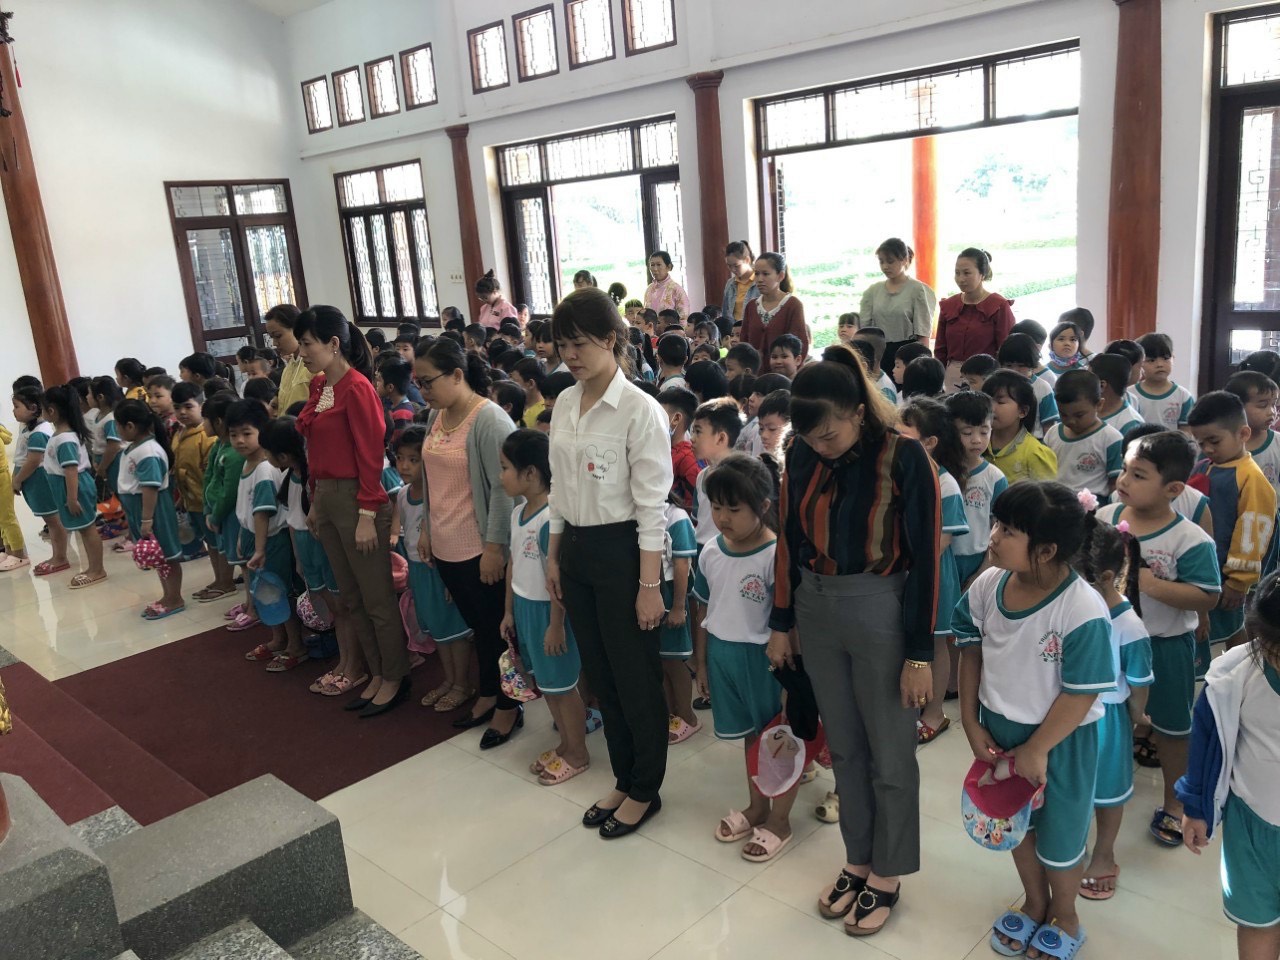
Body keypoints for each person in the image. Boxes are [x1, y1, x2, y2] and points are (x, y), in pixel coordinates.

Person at [769, 344, 938, 936]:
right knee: (843, 747)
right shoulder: (800, 452)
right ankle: (857, 859)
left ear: (859, 413)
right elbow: (788, 540)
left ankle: (888, 872)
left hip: (879, 606)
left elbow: (926, 560)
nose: (820, 446)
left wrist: (920, 655)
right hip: (815, 606)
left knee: (890, 750)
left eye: (830, 435)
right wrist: (781, 622)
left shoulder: (904, 457)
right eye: (810, 437)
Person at [954, 483, 1116, 959]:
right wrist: (970, 721)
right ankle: (1035, 901)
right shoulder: (988, 585)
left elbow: (1081, 693)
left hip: (1061, 742)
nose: (993, 536)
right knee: (1014, 823)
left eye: (1008, 530)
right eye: (997, 523)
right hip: (1001, 733)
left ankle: (1066, 914)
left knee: (1061, 835)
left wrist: (1038, 747)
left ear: (1046, 550)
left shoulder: (1082, 608)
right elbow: (970, 649)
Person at [545, 286, 673, 838]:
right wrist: (555, 554)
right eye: (562, 345)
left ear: (612, 338)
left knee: (635, 676)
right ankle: (624, 777)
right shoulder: (564, 403)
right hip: (576, 549)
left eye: (580, 343)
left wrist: (649, 586)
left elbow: (652, 508)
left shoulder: (640, 411)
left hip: (624, 553)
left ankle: (646, 788)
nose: (570, 355)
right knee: (601, 675)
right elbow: (558, 488)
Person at [1098, 431, 1221, 848]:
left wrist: (1149, 583)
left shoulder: (1189, 539)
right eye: (1124, 469)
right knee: (1105, 717)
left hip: (1163, 646)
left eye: (1139, 475)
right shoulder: (1106, 517)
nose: (1124, 480)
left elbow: (1207, 595)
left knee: (1171, 729)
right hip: (1109, 641)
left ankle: (1174, 801)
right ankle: (1100, 788)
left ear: (1173, 489)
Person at [296, 305, 411, 718]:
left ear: (333, 343)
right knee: (351, 596)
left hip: (358, 499)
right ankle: (376, 672)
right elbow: (317, 451)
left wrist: (366, 514)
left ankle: (395, 675)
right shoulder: (321, 385)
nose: (301, 353)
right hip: (327, 497)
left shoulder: (359, 388)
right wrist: (315, 501)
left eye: (307, 344)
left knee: (376, 597)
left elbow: (370, 455)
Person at [413, 337, 519, 744]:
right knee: (479, 627)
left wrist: (494, 548)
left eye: (428, 382)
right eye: (418, 383)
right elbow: (432, 479)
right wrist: (426, 528)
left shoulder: (488, 419)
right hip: (446, 545)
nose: (422, 391)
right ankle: (490, 692)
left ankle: (508, 706)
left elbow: (504, 491)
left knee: (496, 630)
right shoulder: (436, 416)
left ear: (457, 374)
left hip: (479, 547)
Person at [691, 453, 795, 861]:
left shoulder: (775, 555)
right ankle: (758, 806)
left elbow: (789, 622)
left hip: (765, 659)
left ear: (763, 507)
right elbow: (704, 608)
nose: (722, 518)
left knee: (778, 738)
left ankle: (780, 821)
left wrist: (790, 675)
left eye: (734, 510)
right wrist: (701, 663)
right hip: (723, 654)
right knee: (753, 736)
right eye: (716, 507)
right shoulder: (711, 552)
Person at [1176, 572, 1280, 960]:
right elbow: (1206, 743)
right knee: (1256, 922)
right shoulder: (1235, 675)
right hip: (1252, 826)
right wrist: (1196, 807)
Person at [498, 428, 591, 785]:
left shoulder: (550, 521)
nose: (501, 476)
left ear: (531, 473)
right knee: (548, 685)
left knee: (563, 688)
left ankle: (578, 753)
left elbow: (558, 583)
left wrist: (555, 625)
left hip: (550, 615)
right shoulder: (519, 513)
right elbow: (513, 565)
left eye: (505, 468)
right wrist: (509, 612)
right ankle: (565, 744)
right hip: (525, 609)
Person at [1072, 517, 1151, 902]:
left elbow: (1139, 683)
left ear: (1104, 577)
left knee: (1107, 793)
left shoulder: (1129, 626)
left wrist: (1137, 715)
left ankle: (1104, 853)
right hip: (1068, 715)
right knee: (1071, 785)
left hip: (1107, 720)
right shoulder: (1070, 609)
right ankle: (1072, 843)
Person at [898, 398, 968, 745]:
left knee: (935, 644)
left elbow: (939, 544)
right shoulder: (899, 476)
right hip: (900, 576)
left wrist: (904, 564)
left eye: (904, 436)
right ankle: (908, 707)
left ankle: (935, 713)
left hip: (932, 578)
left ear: (929, 443)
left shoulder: (946, 484)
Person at [1188, 391, 1277, 661]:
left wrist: (1239, 581)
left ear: (1243, 434)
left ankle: (1248, 670)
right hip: (1205, 566)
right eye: (1201, 442)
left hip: (1228, 575)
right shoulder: (1204, 466)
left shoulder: (1251, 477)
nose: (1207, 449)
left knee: (1233, 630)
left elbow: (1254, 532)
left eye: (1214, 441)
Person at [388, 426, 472, 708]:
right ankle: (449, 680)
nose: (404, 466)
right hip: (419, 571)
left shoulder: (440, 494)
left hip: (442, 569)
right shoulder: (403, 495)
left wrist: (451, 579)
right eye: (400, 458)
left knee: (455, 631)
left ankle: (462, 684)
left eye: (413, 460)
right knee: (438, 630)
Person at [227, 399, 305, 671]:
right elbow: (247, 509)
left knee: (281, 591)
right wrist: (243, 537)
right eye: (233, 434)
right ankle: (278, 638)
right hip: (255, 538)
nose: (239, 440)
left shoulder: (263, 469)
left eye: (247, 433)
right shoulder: (248, 464)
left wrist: (259, 548)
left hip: (271, 541)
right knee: (266, 592)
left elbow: (263, 512)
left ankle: (295, 645)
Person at [114, 400, 186, 619]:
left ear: (130, 426)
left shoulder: (148, 452)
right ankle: (167, 596)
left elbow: (150, 487)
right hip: (141, 509)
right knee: (158, 555)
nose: (116, 429)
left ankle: (175, 598)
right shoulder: (135, 448)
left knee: (167, 555)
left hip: (154, 510)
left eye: (118, 425)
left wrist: (147, 520)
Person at [40, 385, 105, 589]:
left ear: (52, 411)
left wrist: (72, 498)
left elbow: (71, 470)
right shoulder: (61, 435)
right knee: (84, 529)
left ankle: (97, 569)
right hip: (69, 488)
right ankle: (93, 567)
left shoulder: (65, 439)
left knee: (87, 528)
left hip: (75, 488)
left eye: (43, 408)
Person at [947, 391, 1008, 588]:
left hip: (979, 559)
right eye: (967, 433)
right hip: (945, 556)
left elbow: (999, 528)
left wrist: (982, 572)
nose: (976, 440)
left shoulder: (995, 478)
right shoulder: (941, 473)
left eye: (984, 432)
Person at [936, 248, 1015, 391]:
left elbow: (1005, 349)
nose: (961, 279)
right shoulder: (949, 305)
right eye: (957, 273)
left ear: (982, 274)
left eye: (967, 273)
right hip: (952, 377)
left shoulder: (998, 306)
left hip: (986, 377)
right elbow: (940, 349)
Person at [858, 238, 937, 373]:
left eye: (890, 261)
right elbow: (865, 330)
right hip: (879, 354)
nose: (885, 266)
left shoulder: (918, 290)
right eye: (881, 261)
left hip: (908, 355)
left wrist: (922, 365)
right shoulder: (873, 291)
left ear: (904, 260)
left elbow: (923, 334)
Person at [11, 386, 67, 575]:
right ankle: (57, 556)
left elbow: (34, 461)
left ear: (33, 408)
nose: (13, 411)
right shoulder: (29, 428)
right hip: (33, 481)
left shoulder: (38, 433)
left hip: (40, 480)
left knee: (53, 521)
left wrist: (18, 480)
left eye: (17, 406)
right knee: (50, 520)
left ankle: (60, 558)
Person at [1046, 370, 1124, 502]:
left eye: (1079, 415)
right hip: (1055, 503)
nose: (1071, 421)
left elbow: (1115, 485)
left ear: (1099, 405)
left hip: (1093, 507)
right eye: (1063, 414)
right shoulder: (1052, 433)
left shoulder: (1111, 439)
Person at [659, 491, 699, 743]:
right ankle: (672, 713)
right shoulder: (640, 514)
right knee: (660, 661)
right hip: (652, 594)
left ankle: (688, 717)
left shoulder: (676, 517)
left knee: (675, 661)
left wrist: (677, 607)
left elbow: (682, 564)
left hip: (672, 594)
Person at [982, 370, 1058, 484]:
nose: (991, 408)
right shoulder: (976, 443)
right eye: (987, 400)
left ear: (1022, 411)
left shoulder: (1035, 453)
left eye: (1000, 402)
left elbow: (1047, 493)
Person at [171, 381, 214, 563]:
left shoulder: (206, 436)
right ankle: (219, 577)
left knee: (217, 545)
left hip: (206, 501)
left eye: (188, 407)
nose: (182, 412)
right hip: (191, 501)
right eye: (177, 408)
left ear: (201, 406)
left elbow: (210, 475)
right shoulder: (179, 433)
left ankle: (224, 578)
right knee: (209, 543)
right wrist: (182, 497)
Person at [740, 252, 809, 363]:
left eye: (765, 274)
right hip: (755, 372)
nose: (759, 279)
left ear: (780, 276)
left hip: (783, 372)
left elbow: (800, 346)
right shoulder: (751, 306)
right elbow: (744, 343)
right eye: (756, 274)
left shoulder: (793, 305)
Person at [1225, 370, 1280, 499]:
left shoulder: (1277, 443)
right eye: (1263, 405)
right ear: (1237, 407)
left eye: (1274, 405)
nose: (1272, 412)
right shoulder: (1222, 443)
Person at [1129, 333, 1195, 431]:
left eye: (1165, 358)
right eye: (1151, 360)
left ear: (1173, 359)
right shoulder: (1130, 395)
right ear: (1140, 363)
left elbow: (1186, 432)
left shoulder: (1183, 396)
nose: (1160, 364)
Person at [998, 333, 1059, 438]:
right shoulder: (997, 386)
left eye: (1021, 366)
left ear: (1032, 364)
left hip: (1035, 441)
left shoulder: (1043, 388)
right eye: (1008, 365)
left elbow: (1049, 425)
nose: (1014, 370)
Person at [263, 304, 316, 413]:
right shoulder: (288, 368)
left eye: (278, 336)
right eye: (272, 337)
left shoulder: (315, 366)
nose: (274, 343)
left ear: (297, 329)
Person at [658, 386, 701, 511]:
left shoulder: (688, 460)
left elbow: (692, 508)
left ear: (676, 419)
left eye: (658, 415)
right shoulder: (661, 449)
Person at [1091, 353, 1145, 440]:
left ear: (1102, 385)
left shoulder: (1131, 424)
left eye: (1088, 379)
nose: (1084, 383)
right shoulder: (1088, 411)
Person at [644, 250, 691, 321]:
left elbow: (684, 317)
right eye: (652, 265)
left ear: (668, 267)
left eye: (658, 265)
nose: (655, 269)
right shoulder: (649, 289)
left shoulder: (676, 289)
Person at [721, 240, 760, 323]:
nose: (732, 269)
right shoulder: (730, 283)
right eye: (729, 266)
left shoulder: (760, 281)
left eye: (736, 265)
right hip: (735, 328)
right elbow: (725, 314)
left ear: (747, 260)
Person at [511, 357, 547, 428]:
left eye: (515, 382)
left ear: (531, 384)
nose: (511, 386)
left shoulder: (543, 413)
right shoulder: (515, 406)